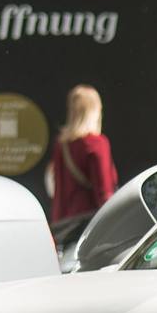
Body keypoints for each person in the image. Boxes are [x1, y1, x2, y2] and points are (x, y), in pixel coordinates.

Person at [47, 84, 119, 223]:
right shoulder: (97, 143)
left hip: (64, 225)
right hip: (89, 225)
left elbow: (58, 191)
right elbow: (103, 193)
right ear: (95, 111)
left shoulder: (61, 145)